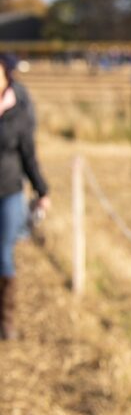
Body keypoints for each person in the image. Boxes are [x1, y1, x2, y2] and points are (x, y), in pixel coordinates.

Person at [0, 53, 50, 340]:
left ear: (8, 78)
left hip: (9, 191)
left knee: (4, 253)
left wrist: (42, 190)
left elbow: (28, 156)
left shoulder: (17, 113)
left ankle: (6, 321)